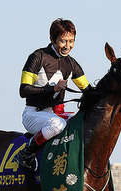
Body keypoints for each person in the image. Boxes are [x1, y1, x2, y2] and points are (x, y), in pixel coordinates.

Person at [15, 18, 90, 170]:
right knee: (58, 125)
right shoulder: (37, 57)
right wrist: (53, 89)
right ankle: (26, 152)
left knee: (84, 122)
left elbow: (88, 91)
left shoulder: (72, 64)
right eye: (63, 41)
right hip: (33, 114)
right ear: (52, 39)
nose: (67, 46)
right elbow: (23, 91)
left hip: (56, 114)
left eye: (71, 41)